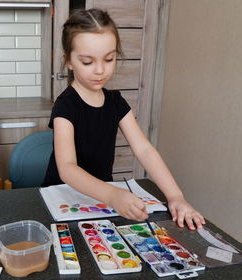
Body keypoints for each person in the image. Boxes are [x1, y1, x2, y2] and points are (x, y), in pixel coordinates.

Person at [42, 9, 205, 230]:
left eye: (109, 59)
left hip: (102, 197)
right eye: (87, 62)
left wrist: (175, 196)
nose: (100, 70)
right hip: (63, 197)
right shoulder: (65, 106)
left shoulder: (115, 101)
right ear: (68, 61)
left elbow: (144, 150)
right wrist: (112, 195)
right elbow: (68, 168)